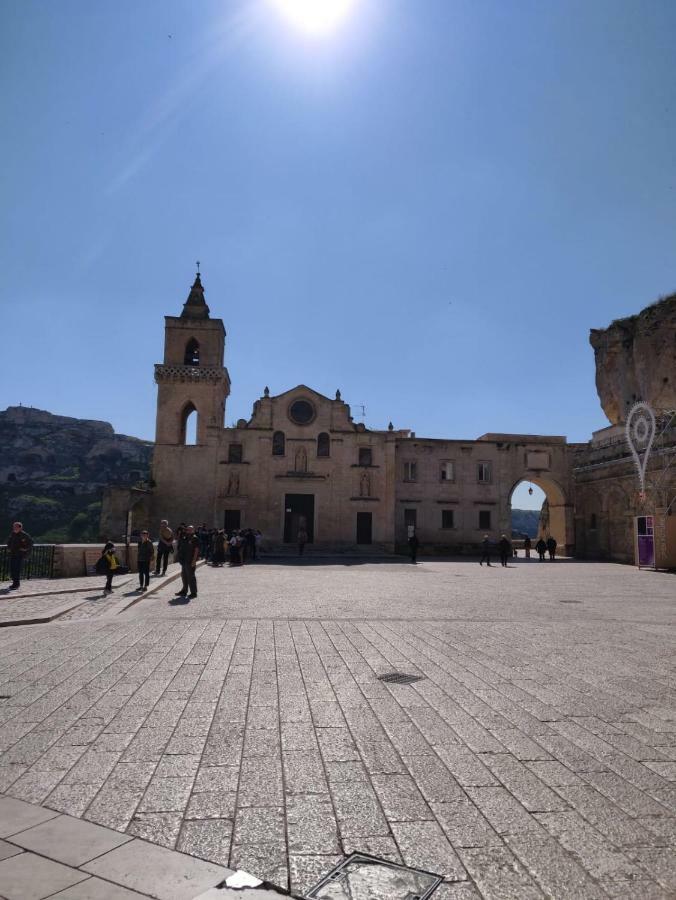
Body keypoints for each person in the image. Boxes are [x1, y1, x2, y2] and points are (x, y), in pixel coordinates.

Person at [176, 524, 200, 599]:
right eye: (187, 529)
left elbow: (196, 550)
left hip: (190, 560)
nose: (188, 531)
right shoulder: (185, 537)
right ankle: (184, 590)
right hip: (184, 560)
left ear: (193, 530)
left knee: (191, 576)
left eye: (190, 529)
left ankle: (194, 592)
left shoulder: (195, 538)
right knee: (184, 575)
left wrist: (194, 561)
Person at [6, 522, 33, 590]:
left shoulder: (24, 535)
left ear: (20, 528)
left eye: (15, 527)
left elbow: (30, 543)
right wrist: (9, 548)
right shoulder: (13, 534)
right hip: (13, 554)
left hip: (19, 555)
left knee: (16, 570)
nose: (14, 528)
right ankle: (14, 583)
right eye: (13, 527)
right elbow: (9, 541)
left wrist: (24, 549)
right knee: (12, 569)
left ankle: (16, 584)